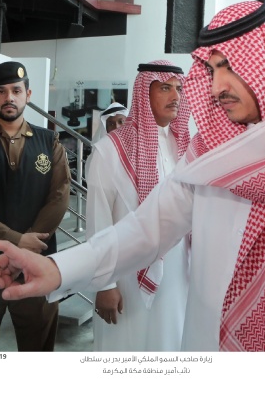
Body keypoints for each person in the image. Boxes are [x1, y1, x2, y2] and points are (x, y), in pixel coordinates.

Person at [0, 0, 265, 352]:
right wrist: (58, 269)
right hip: (199, 337)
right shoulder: (207, 155)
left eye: (230, 68)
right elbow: (147, 227)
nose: (217, 86)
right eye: (212, 70)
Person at [86, 60, 191, 351]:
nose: (175, 96)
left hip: (178, 274)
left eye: (179, 89)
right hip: (125, 278)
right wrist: (104, 285)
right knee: (126, 349)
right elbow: (98, 222)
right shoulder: (109, 150)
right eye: (165, 88)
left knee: (170, 345)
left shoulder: (186, 148)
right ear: (145, 93)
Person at [0, 61, 71, 351]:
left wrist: (28, 246)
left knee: (37, 349)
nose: (9, 97)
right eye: (1, 91)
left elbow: (60, 195)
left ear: (28, 94)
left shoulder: (49, 141)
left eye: (16, 90)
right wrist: (17, 241)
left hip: (37, 263)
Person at [85, 102, 129, 178]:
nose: (116, 127)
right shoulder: (100, 151)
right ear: (106, 128)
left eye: (121, 122)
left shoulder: (136, 148)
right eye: (111, 124)